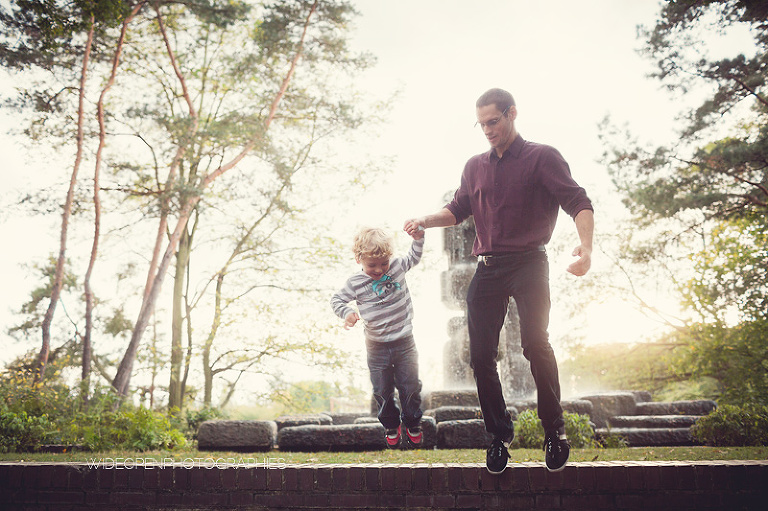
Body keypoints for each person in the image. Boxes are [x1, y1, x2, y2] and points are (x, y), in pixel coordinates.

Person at [404, 88, 594, 474]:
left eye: (494, 121)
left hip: (529, 263)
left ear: (512, 114)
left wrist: (586, 249)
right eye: (482, 124)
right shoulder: (475, 166)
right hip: (488, 267)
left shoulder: (543, 157)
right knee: (479, 356)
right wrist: (424, 219)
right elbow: (458, 209)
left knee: (535, 344)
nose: (488, 130)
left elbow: (579, 201)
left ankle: (554, 431)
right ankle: (498, 437)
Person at [330, 226, 426, 449]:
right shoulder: (355, 283)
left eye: (383, 263)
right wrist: (348, 313)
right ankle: (391, 425)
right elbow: (336, 300)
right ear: (359, 259)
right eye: (372, 265)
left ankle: (412, 422)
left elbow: (414, 256)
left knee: (410, 385)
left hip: (405, 342)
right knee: (381, 389)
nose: (379, 270)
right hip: (376, 346)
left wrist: (419, 238)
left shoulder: (397, 266)